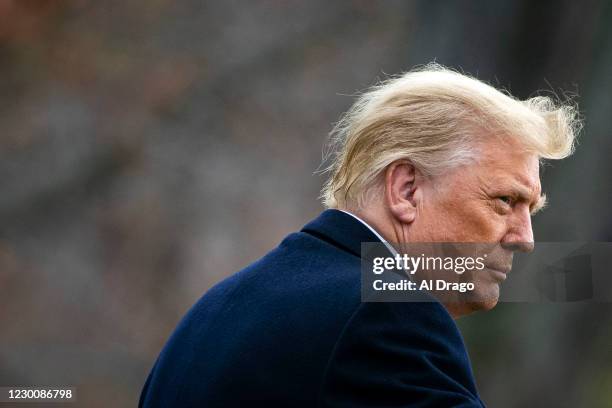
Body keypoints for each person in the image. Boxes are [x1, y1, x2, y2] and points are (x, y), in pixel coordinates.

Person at [139, 64, 579, 407]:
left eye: (531, 209)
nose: (525, 237)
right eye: (504, 200)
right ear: (406, 190)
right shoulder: (385, 316)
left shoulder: (218, 307)